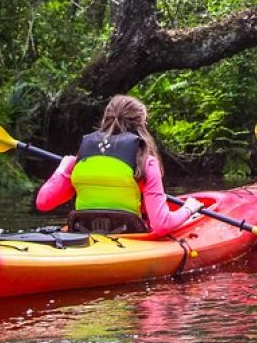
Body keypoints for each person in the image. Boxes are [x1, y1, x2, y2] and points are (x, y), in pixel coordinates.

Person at [36, 94, 204, 236]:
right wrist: (189, 208)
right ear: (141, 124)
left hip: (83, 234)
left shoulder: (80, 159)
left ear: (105, 120)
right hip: (129, 237)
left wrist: (62, 168)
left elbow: (43, 203)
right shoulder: (145, 162)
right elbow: (162, 225)